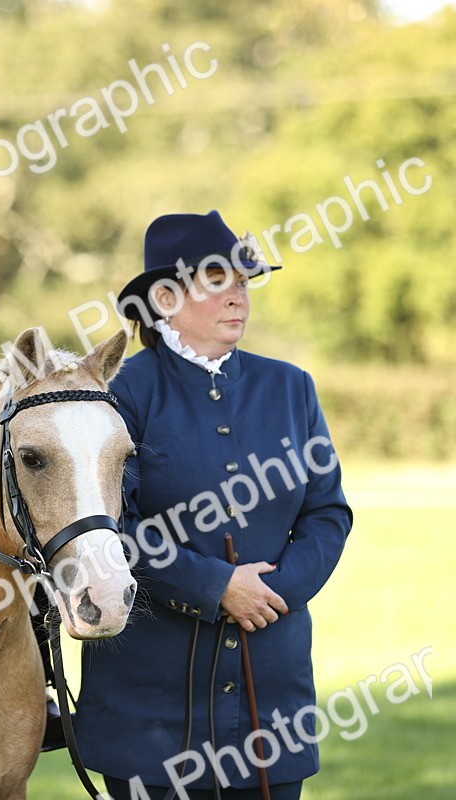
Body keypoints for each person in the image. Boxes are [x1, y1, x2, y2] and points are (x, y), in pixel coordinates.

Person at [74, 211, 353, 799]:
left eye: (244, 282)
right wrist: (215, 586)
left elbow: (328, 514)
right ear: (166, 299)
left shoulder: (292, 387)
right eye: (218, 281)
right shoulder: (119, 394)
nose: (239, 297)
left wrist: (270, 592)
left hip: (269, 700)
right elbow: (109, 528)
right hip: (149, 710)